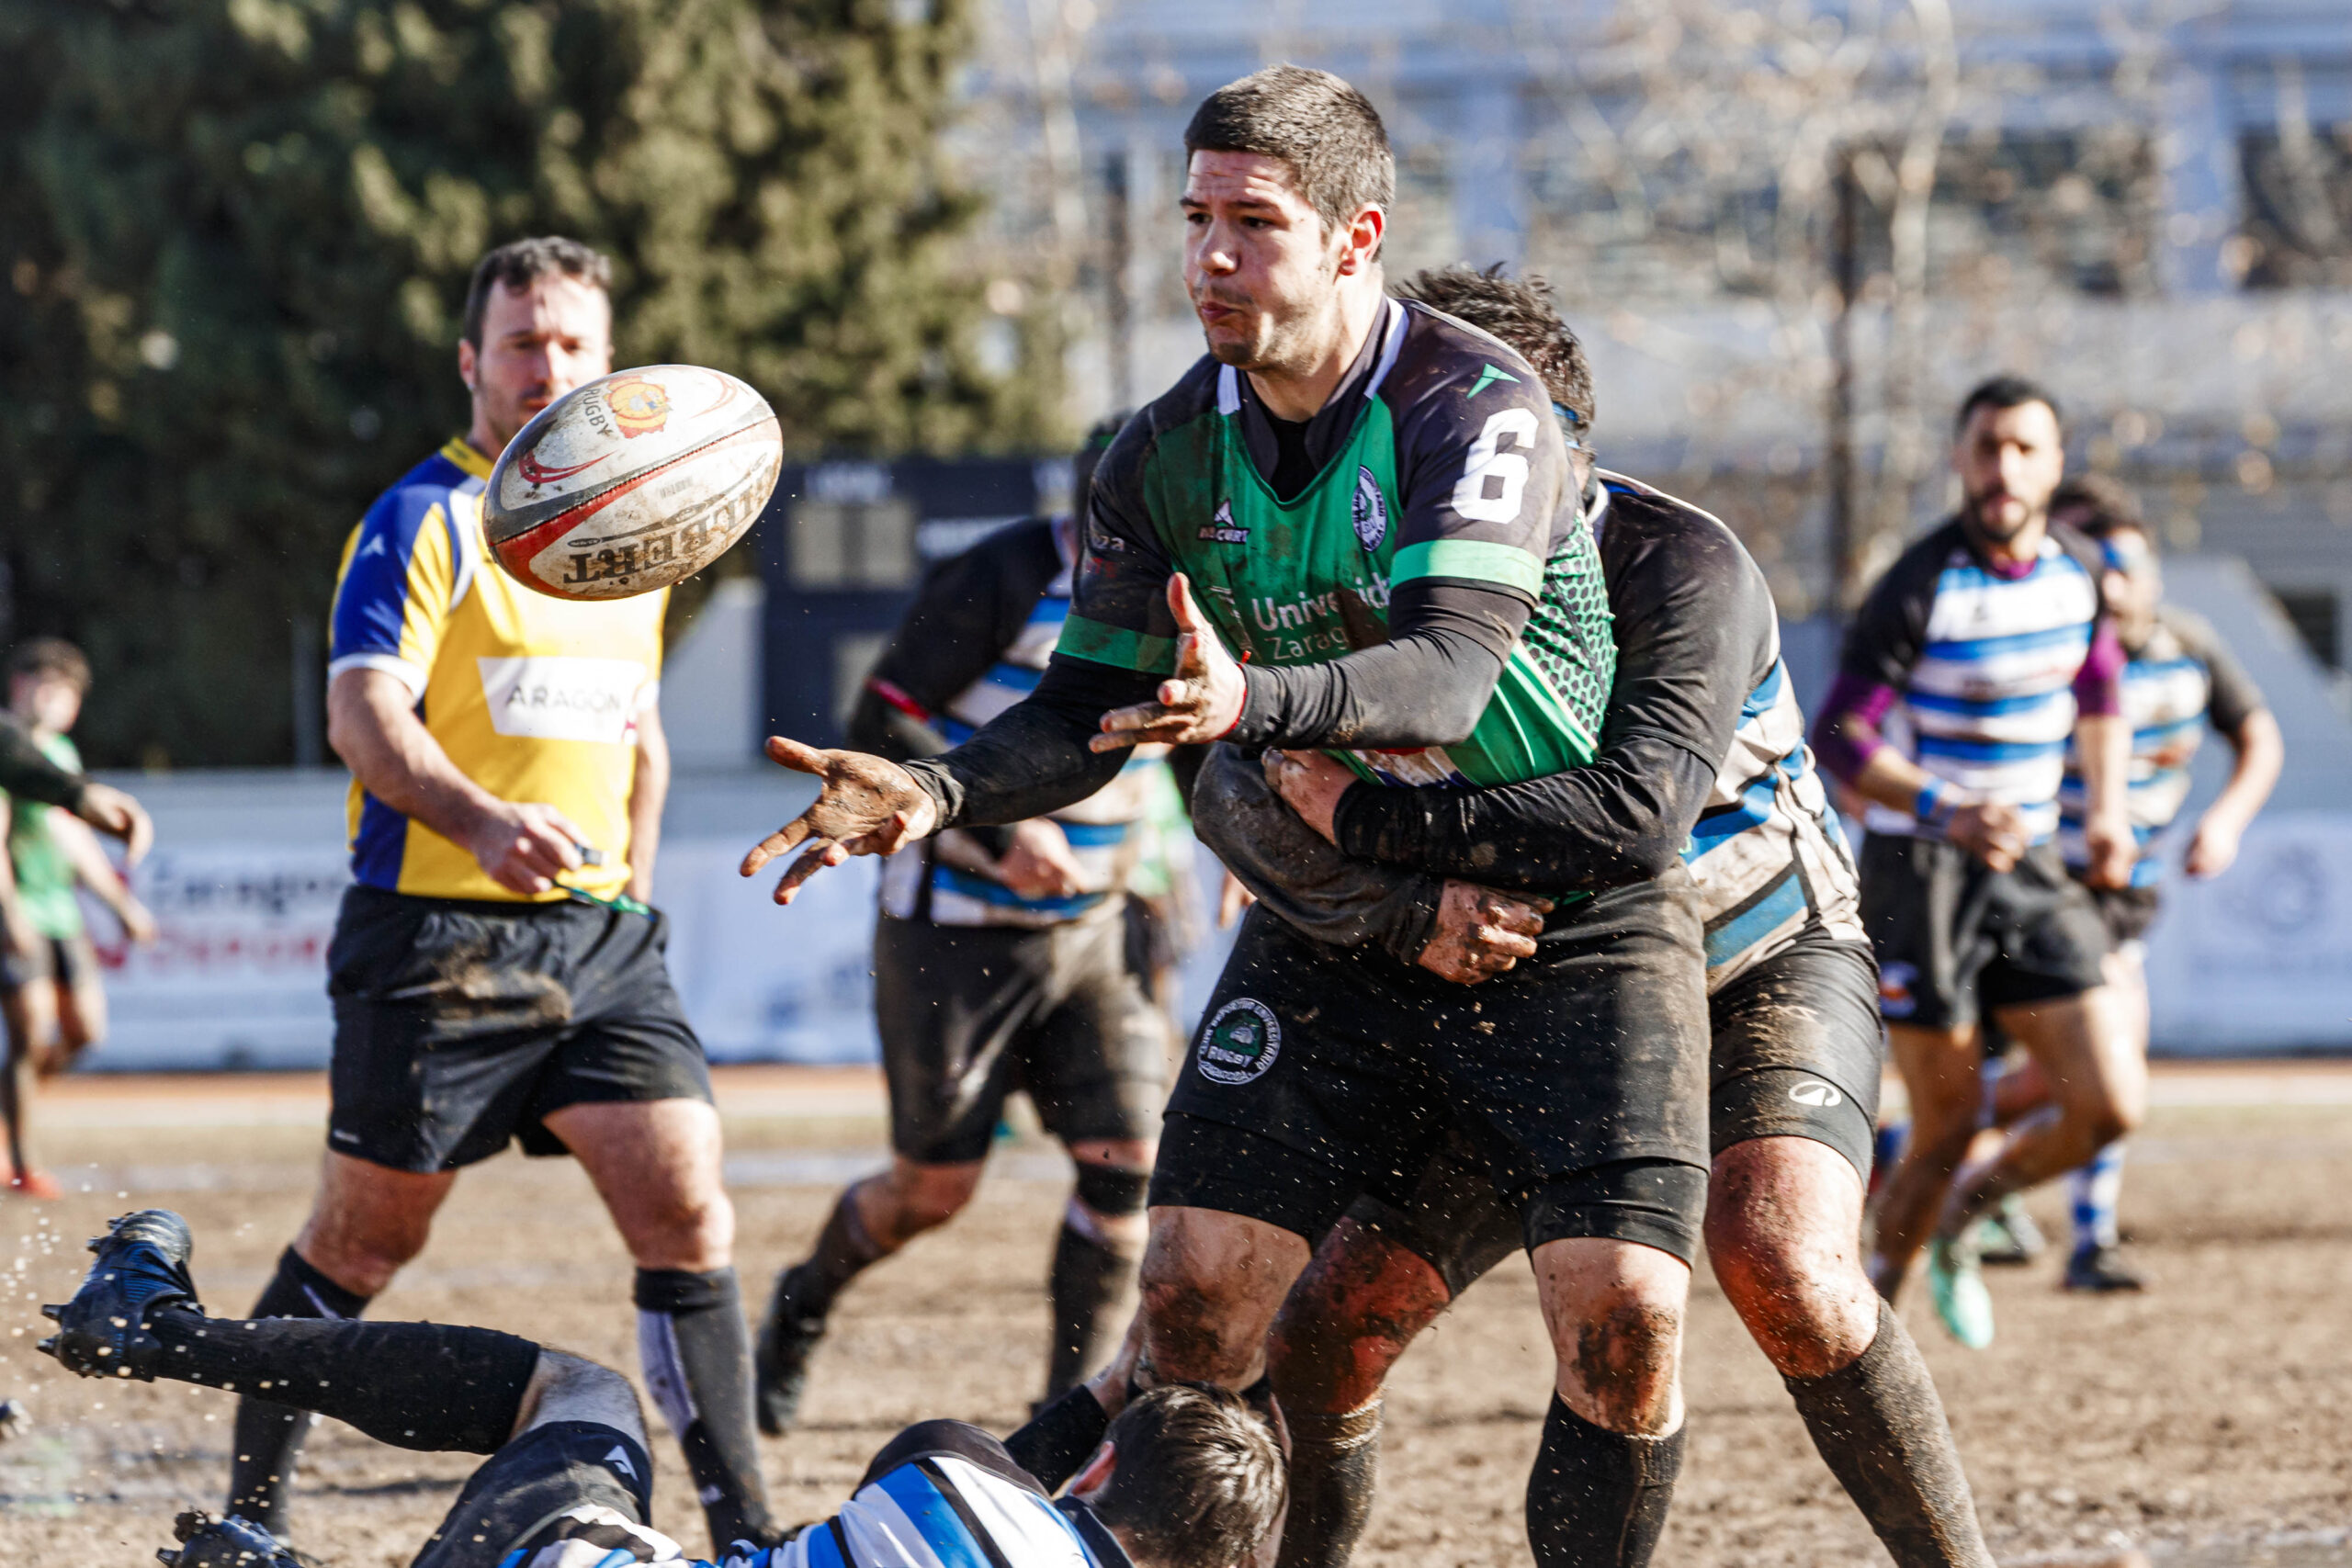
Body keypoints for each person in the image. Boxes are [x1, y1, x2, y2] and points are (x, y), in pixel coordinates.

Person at [741, 67, 1708, 1568]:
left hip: (1572, 916)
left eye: (1251, 222)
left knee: (1628, 1321)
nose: (1209, 256)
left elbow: (1450, 675)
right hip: (1338, 921)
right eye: (1195, 218)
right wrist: (933, 790)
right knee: (1188, 1299)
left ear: (1353, 236)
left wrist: (1246, 701)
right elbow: (1084, 710)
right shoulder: (1156, 453)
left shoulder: (1472, 404)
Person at [1168, 263, 1989, 1568]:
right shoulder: (1368, 558)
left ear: (1540, 442)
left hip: (1751, 952)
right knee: (1328, 1328)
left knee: (1782, 1263)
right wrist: (1393, 899)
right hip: (1546, 985)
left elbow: (1636, 814)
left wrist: (1371, 829)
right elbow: (1230, 772)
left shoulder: (1682, 564)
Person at [229, 235, 775, 1551]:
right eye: (524, 343)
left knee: (689, 1203)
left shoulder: (630, 535)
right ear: (474, 360)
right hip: (439, 936)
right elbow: (362, 714)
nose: (550, 367)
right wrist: (476, 816)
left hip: (600, 942)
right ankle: (248, 1513)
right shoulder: (424, 517)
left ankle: (749, 1531)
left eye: (575, 344)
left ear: (610, 363)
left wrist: (634, 905)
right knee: (362, 1244)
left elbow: (637, 737)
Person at [40, 1210, 1286, 1568]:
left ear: (1105, 1463)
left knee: (582, 1394)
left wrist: (1114, 1379)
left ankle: (158, 1327)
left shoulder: (955, 1472)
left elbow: (981, 1466)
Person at [756, 416, 1174, 1432]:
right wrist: (999, 841)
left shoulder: (1198, 585)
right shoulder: (1001, 573)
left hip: (1097, 931)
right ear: (1088, 518)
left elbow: (1199, 733)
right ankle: (803, 1301)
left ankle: (1062, 1414)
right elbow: (878, 721)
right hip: (954, 928)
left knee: (1127, 1161)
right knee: (932, 1190)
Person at [1812, 375, 2141, 1349]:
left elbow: (2098, 690)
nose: (2002, 469)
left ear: (2054, 463)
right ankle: (1868, 1336)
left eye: (2023, 449)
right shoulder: (1919, 585)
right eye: (1986, 447)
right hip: (1925, 877)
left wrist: (2109, 809)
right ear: (1959, 459)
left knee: (2109, 1105)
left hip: (2032, 868)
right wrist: (1948, 809)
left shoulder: (2076, 570)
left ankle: (1965, 1217)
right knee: (1942, 1123)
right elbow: (1841, 738)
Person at [1991, 474, 2280, 1292]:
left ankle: (1923, 1157)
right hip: (2042, 883)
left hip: (2126, 890)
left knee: (2064, 1078)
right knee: (2106, 1066)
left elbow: (2260, 738)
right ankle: (2084, 1235)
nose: (2106, 584)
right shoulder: (2049, 649)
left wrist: (2223, 822)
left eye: (2120, 565)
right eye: (2086, 565)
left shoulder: (2191, 645)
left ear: (2152, 572)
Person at [0, 656, 154, 1197]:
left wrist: (122, 906)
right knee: (29, 1032)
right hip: (19, 911)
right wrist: (10, 911)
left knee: (85, 1029)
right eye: (47, 686)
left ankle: (9, 1116)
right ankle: (22, 1163)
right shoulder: (9, 748)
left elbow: (75, 842)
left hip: (60, 912)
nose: (56, 701)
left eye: (67, 694)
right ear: (21, 685)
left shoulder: (60, 755)